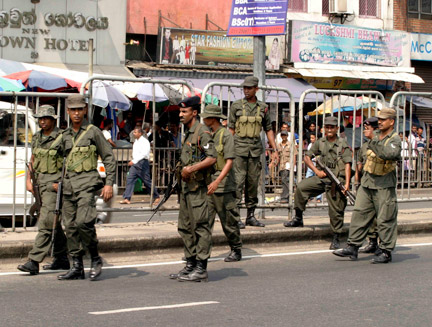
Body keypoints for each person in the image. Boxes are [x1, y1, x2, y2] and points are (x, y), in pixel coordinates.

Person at [57, 94, 116, 281]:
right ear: (67, 112)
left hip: (87, 184)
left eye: (79, 109)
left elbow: (108, 157)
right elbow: (55, 159)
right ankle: (76, 265)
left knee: (84, 222)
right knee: (71, 226)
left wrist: (108, 183)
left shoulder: (93, 132)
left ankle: (95, 258)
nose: (76, 113)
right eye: (72, 109)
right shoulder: (64, 136)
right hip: (68, 187)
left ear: (84, 111)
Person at [333, 108, 401, 263]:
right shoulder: (375, 136)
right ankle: (353, 246)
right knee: (359, 213)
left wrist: (374, 140)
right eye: (380, 119)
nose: (380, 122)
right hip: (367, 182)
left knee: (385, 218)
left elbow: (388, 154)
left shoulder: (394, 140)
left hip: (384, 185)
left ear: (392, 121)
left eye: (384, 120)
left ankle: (385, 251)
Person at [283, 116, 353, 250]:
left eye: (332, 127)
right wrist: (317, 171)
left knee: (336, 210)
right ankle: (298, 218)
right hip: (323, 177)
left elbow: (348, 164)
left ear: (337, 128)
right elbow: (307, 157)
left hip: (337, 180)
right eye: (327, 127)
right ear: (323, 129)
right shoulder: (320, 142)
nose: (329, 129)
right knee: (302, 187)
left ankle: (336, 236)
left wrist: (347, 184)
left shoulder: (342, 144)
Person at [17, 105, 69, 275]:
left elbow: (69, 163)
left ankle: (33, 261)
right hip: (39, 184)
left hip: (54, 185)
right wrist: (28, 180)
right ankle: (62, 258)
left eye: (46, 118)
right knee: (51, 221)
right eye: (40, 118)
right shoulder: (37, 137)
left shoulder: (62, 137)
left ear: (53, 120)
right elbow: (32, 159)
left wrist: (62, 183)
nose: (42, 121)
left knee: (46, 221)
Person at [169, 96, 216, 282]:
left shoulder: (202, 132)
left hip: (199, 189)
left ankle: (201, 267)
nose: (180, 115)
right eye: (180, 112)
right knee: (185, 227)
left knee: (201, 227)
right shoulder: (188, 133)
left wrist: (191, 169)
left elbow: (211, 157)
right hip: (187, 189)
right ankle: (190, 264)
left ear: (194, 113)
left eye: (184, 112)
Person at [228, 76, 279, 229]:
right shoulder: (236, 106)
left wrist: (274, 149)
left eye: (249, 88)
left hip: (255, 151)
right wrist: (224, 148)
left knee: (252, 184)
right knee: (237, 183)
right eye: (244, 88)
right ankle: (235, 217)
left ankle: (250, 216)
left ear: (256, 89)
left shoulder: (263, 107)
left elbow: (268, 129)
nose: (246, 91)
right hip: (239, 149)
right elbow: (230, 129)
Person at [202, 104, 243, 262]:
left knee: (228, 221)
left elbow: (229, 161)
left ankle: (236, 248)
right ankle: (201, 253)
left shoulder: (225, 135)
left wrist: (218, 182)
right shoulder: (208, 134)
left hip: (223, 185)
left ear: (213, 119)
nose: (204, 119)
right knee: (204, 221)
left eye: (206, 117)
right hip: (209, 183)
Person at [355, 117, 379, 254]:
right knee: (365, 214)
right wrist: (357, 181)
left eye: (367, 127)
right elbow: (359, 164)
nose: (365, 130)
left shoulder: (382, 144)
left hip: (378, 183)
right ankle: (372, 241)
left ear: (375, 129)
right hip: (365, 183)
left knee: (379, 215)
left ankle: (382, 245)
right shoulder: (364, 146)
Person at [120, 127, 160, 205]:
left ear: (140, 133)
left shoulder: (145, 142)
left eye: (135, 132)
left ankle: (156, 196)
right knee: (130, 179)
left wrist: (134, 161)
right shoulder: (136, 141)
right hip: (135, 163)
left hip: (142, 163)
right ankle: (127, 198)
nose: (134, 133)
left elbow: (144, 154)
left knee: (147, 181)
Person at [274, 130, 297, 203]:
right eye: (282, 135)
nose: (284, 137)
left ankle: (285, 196)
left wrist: (293, 164)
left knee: (285, 179)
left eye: (285, 135)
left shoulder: (291, 144)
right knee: (284, 181)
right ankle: (287, 195)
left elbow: (294, 154)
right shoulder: (279, 145)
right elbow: (277, 155)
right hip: (281, 165)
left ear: (287, 136)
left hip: (288, 164)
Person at [305, 133, 322, 203]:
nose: (311, 139)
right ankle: (309, 196)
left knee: (318, 180)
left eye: (313, 138)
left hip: (317, 163)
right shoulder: (309, 145)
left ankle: (318, 197)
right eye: (311, 138)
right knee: (308, 178)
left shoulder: (319, 145)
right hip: (311, 164)